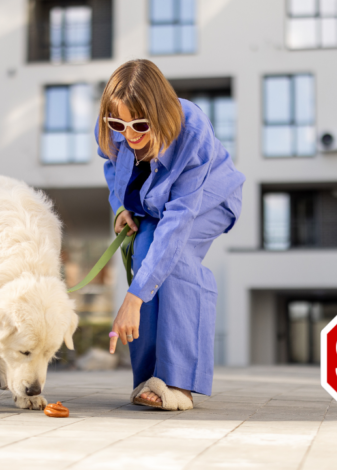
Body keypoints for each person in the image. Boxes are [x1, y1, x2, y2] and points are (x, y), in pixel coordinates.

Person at [96, 59, 245, 410]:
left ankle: (179, 383)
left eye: (140, 126)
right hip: (154, 202)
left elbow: (177, 224)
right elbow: (110, 163)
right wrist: (119, 207)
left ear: (159, 115)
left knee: (173, 259)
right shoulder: (113, 124)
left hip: (209, 197)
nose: (129, 136)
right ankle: (149, 378)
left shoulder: (193, 133)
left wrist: (132, 299)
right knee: (147, 252)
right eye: (119, 124)